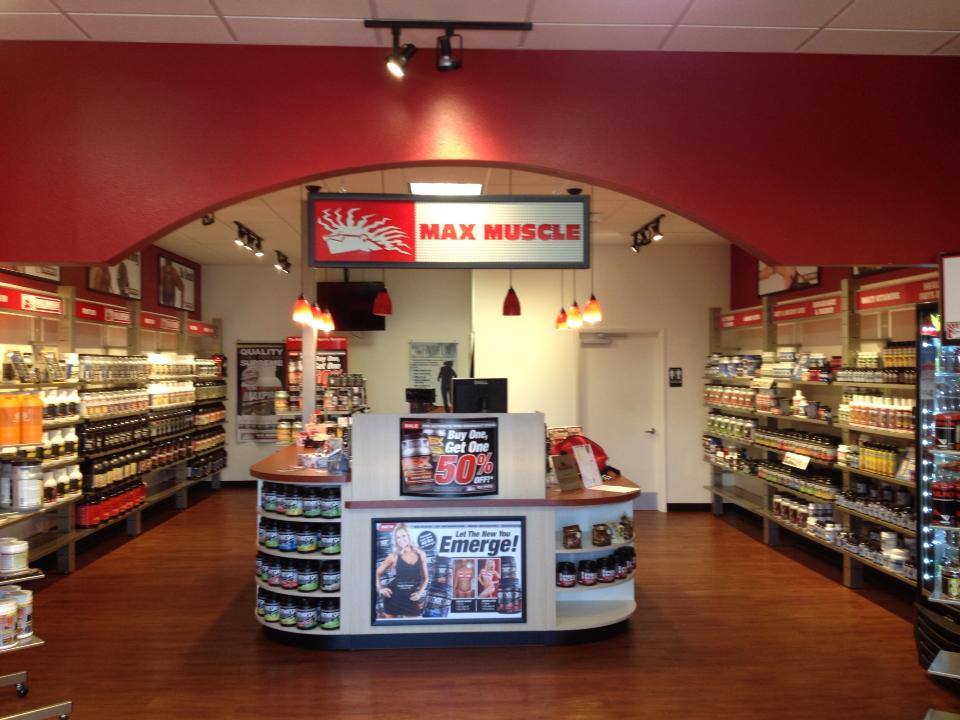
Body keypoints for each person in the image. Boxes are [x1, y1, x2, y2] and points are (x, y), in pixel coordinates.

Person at [375, 524, 428, 618]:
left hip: (411, 600)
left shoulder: (421, 554)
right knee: (391, 627)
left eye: (403, 536)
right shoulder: (394, 556)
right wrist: (380, 589)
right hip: (392, 599)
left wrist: (419, 593)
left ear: (409, 536)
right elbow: (376, 573)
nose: (401, 540)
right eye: (398, 537)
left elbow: (425, 578)